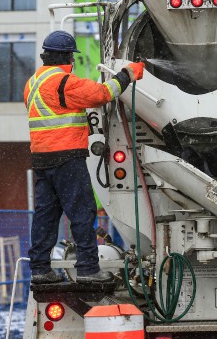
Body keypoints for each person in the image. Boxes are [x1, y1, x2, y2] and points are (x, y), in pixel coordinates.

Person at [25, 30, 144, 284]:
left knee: (46, 214)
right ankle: (88, 269)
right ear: (67, 57)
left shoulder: (32, 82)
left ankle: (39, 269)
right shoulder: (64, 82)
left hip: (42, 159)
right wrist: (128, 75)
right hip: (66, 157)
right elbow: (102, 94)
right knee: (82, 211)